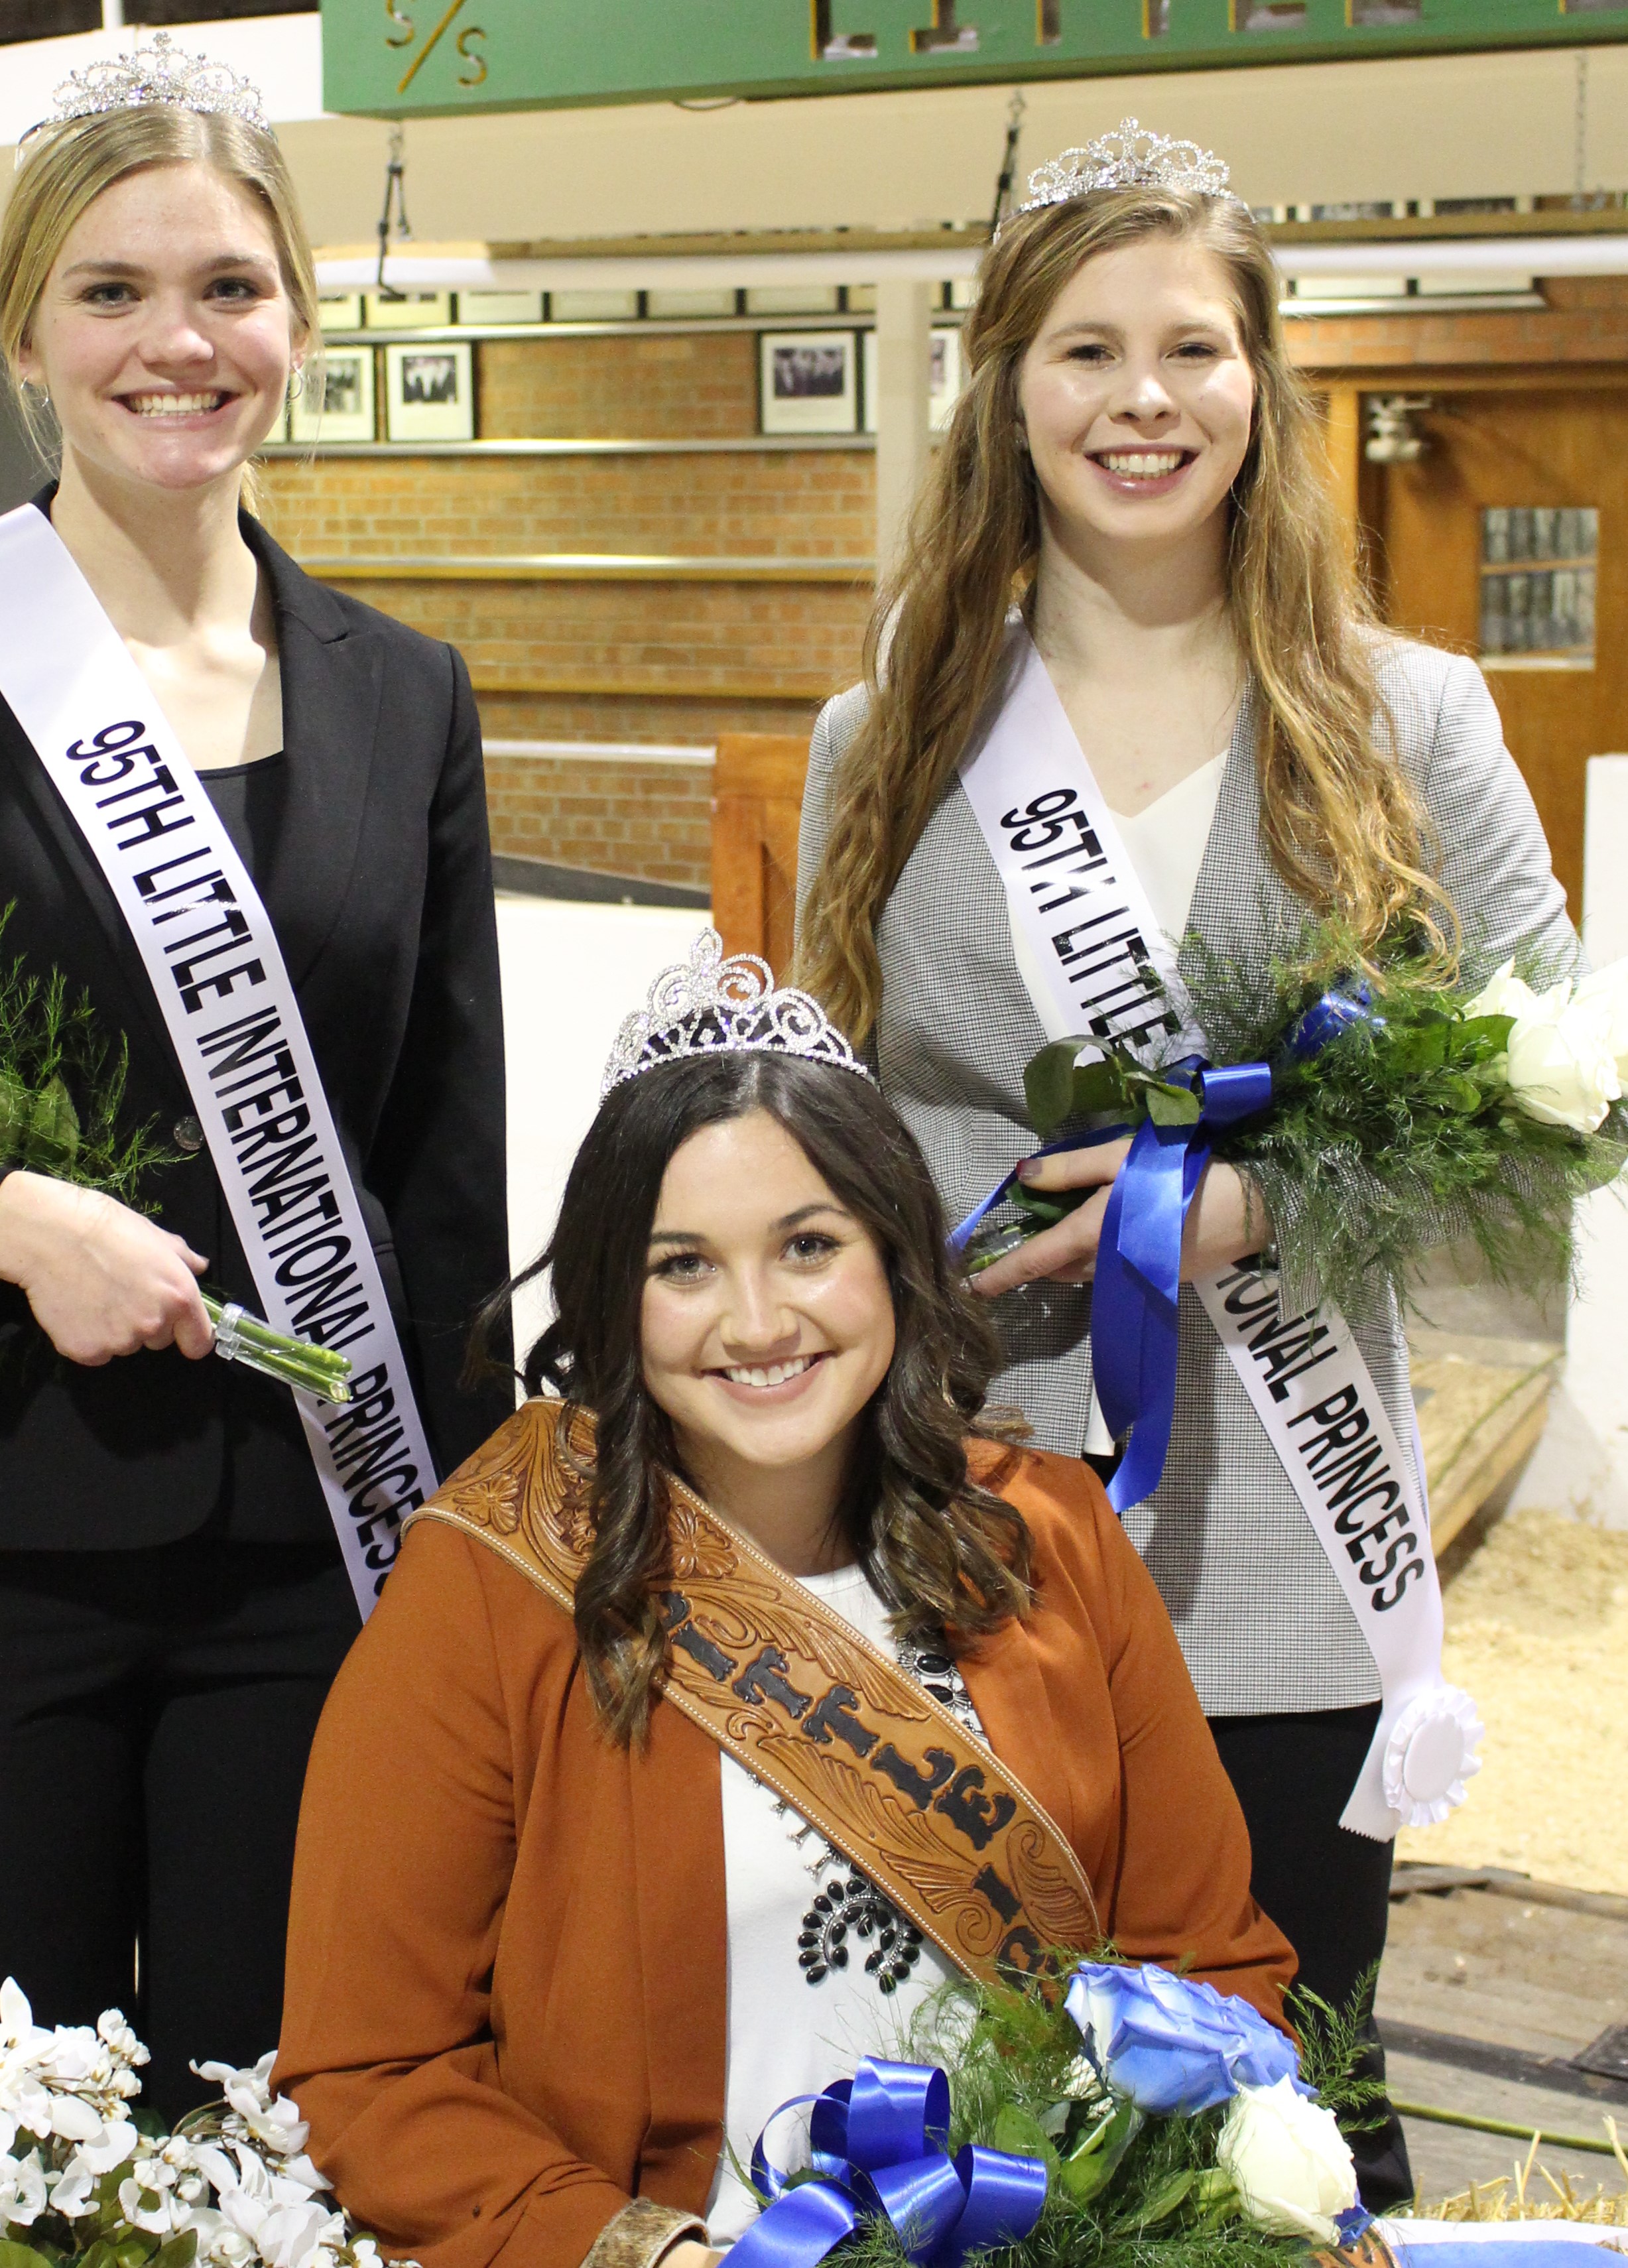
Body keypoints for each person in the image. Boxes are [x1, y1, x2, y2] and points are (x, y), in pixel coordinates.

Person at [0, 35, 509, 2104]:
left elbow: (443, 1179)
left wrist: (482, 1552)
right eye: (116, 292)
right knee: (12, 2160)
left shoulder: (404, 698)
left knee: (283, 2133)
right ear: (26, 332)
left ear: (299, 319)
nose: (179, 342)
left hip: (316, 1570)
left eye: (229, 285)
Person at [793, 121, 1576, 2206]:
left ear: (1264, 383)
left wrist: (1263, 1202)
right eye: (1083, 350)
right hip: (973, 1528)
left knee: (1285, 2115)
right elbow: (829, 1125)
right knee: (977, 2109)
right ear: (1006, 390)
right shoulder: (889, 739)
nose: (1144, 400)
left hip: (1292, 1560)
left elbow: (1567, 1101)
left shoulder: (1409, 719)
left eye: (1194, 348)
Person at [277, 930, 1295, 2268]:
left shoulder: (1047, 1540)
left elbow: (1212, 1970)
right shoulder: (496, 1584)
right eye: (682, 1265)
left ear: (892, 1257)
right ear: (610, 1296)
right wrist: (649, 2254)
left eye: (807, 1246)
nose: (756, 1323)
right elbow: (372, 2070)